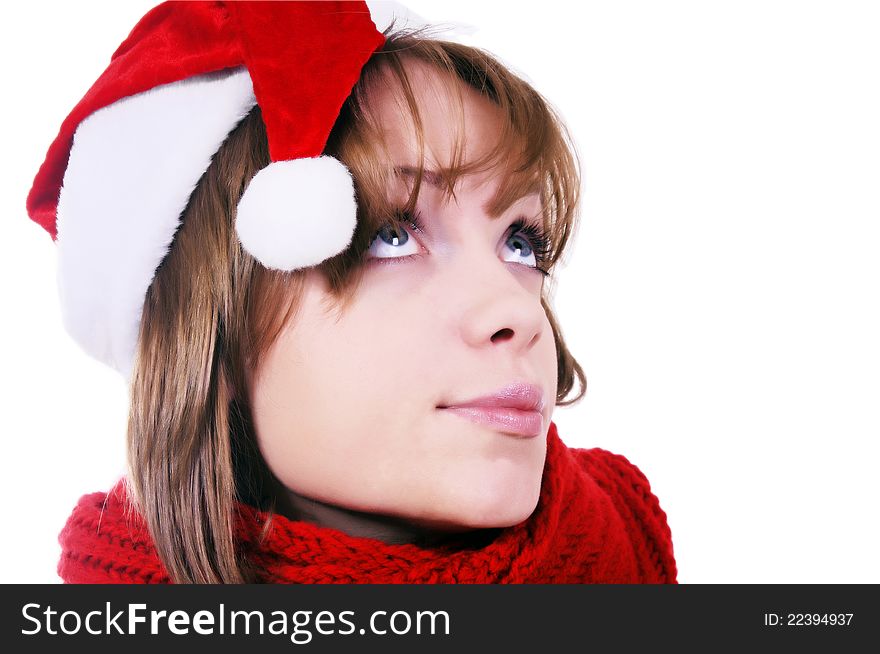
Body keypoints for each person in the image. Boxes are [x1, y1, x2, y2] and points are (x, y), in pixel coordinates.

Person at [27, 1, 677, 583]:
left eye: (521, 242)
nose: (517, 310)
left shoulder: (629, 542)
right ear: (211, 340)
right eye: (390, 235)